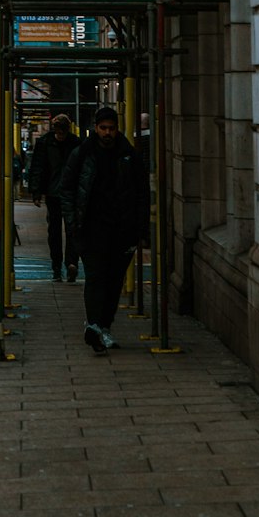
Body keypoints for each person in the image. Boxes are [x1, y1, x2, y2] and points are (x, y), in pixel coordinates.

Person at [56, 106, 149, 355]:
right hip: (91, 228)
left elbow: (141, 193)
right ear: (96, 128)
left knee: (114, 281)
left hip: (122, 229)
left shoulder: (129, 155)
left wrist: (140, 228)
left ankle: (103, 325)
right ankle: (95, 327)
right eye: (103, 128)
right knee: (96, 278)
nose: (107, 133)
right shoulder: (82, 154)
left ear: (117, 129)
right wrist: (73, 223)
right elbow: (66, 189)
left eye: (111, 128)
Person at [28, 114, 81, 282]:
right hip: (54, 193)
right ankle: (57, 266)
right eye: (58, 132)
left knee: (70, 229)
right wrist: (36, 191)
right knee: (56, 231)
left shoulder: (75, 143)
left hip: (69, 193)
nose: (60, 136)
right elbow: (37, 166)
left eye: (62, 133)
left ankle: (71, 263)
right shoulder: (45, 143)